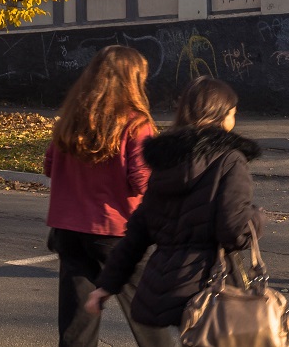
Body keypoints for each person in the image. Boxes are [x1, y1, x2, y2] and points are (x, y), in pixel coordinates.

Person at [85, 77, 262, 335]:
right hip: (212, 284)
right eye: (233, 113)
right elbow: (233, 230)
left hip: (166, 284)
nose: (234, 121)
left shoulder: (165, 162)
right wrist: (256, 219)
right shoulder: (229, 160)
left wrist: (107, 285)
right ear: (221, 116)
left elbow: (138, 232)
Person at [43, 46, 168, 347]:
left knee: (77, 324)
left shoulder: (72, 119)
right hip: (118, 231)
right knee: (148, 315)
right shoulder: (136, 124)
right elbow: (141, 181)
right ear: (132, 80)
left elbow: (49, 166)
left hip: (69, 230)